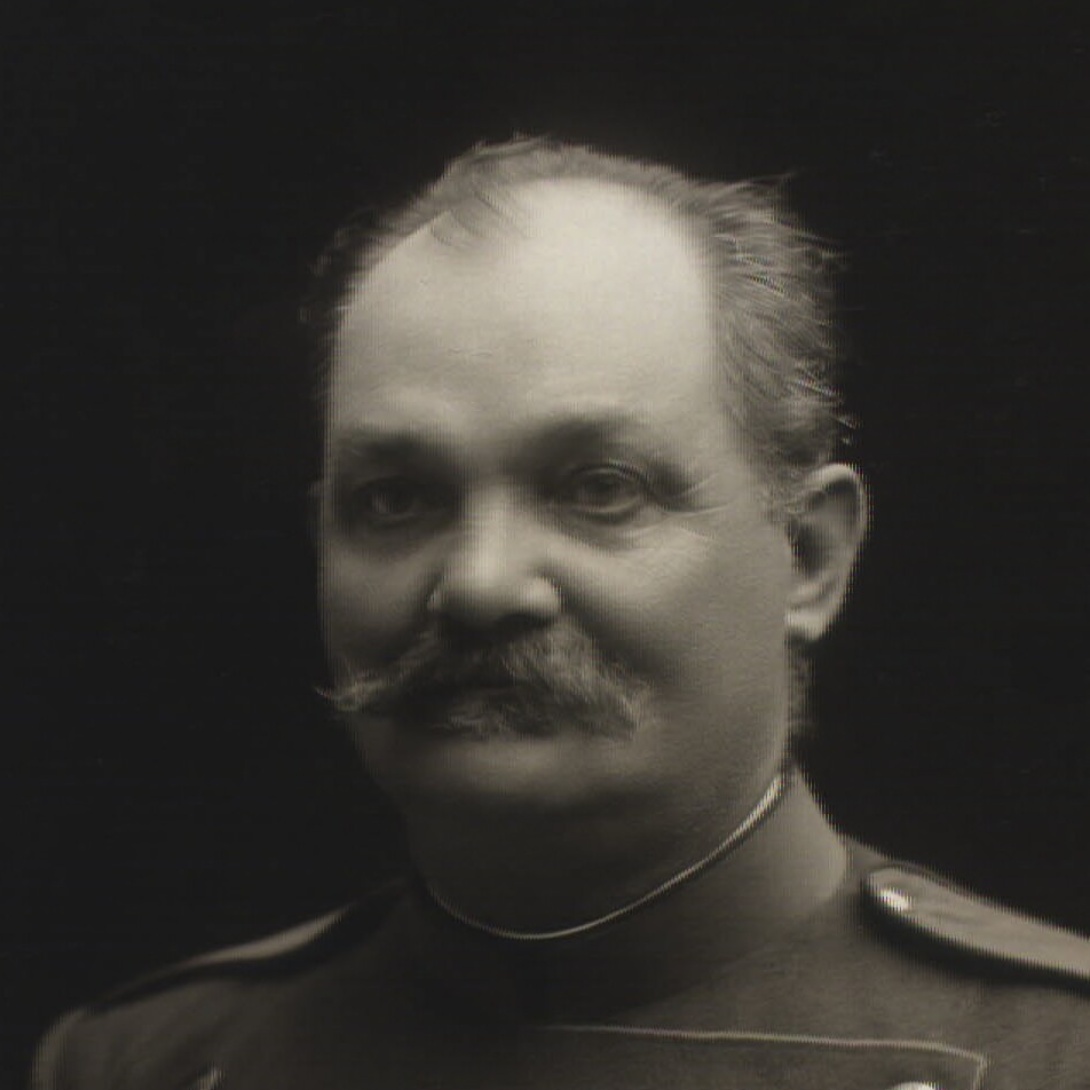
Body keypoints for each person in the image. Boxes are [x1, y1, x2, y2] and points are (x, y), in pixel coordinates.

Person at [32, 136, 1090, 1090]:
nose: (481, 585)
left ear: (808, 559)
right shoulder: (144, 1064)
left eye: (599, 488)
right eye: (396, 499)